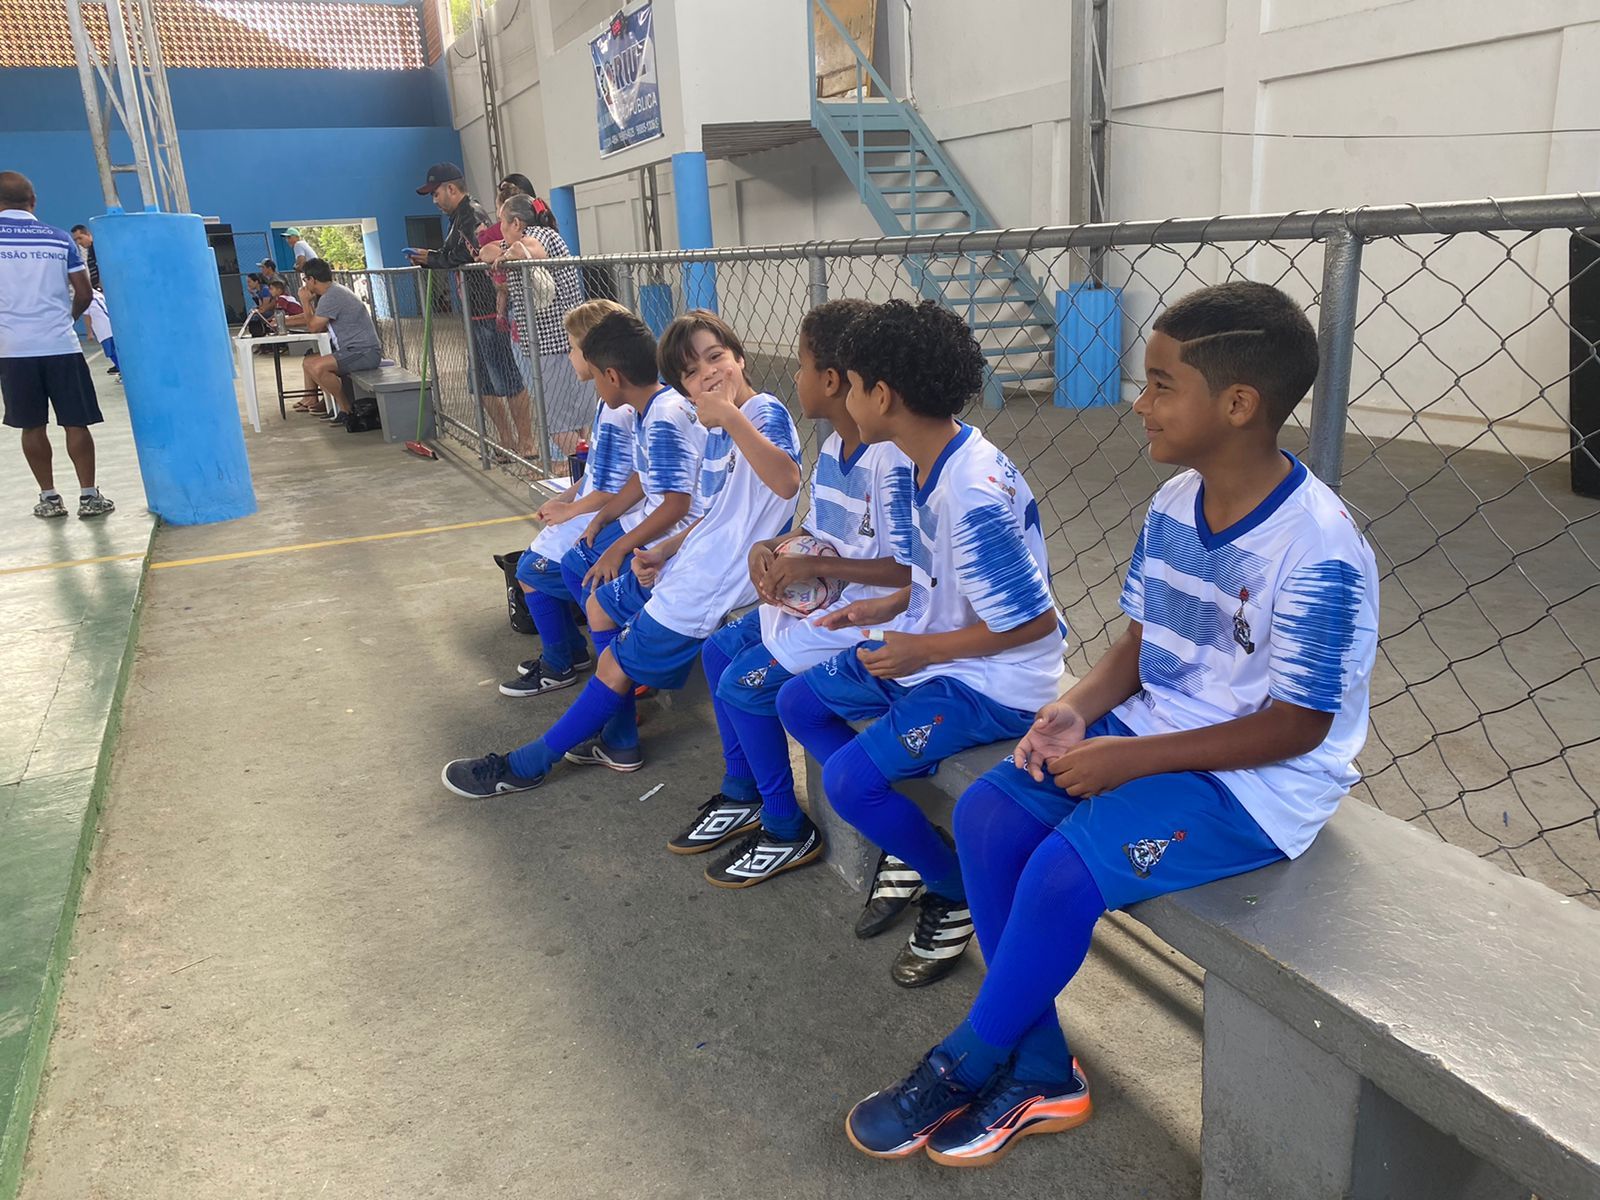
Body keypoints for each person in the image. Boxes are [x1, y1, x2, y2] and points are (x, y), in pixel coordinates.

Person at [842, 282, 1381, 1168]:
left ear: (1238, 404)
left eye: (1162, 384)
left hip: (1256, 782)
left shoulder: (1318, 546)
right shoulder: (1173, 503)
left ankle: (963, 1062)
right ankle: (1043, 1070)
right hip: (1148, 730)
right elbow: (1140, 644)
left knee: (1061, 874)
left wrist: (1127, 761)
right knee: (988, 816)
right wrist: (1076, 709)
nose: (1139, 402)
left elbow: (1297, 728)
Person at [774, 300, 1064, 989]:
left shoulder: (970, 493)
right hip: (935, 652)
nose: (846, 396)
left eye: (853, 383)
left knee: (849, 782)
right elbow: (935, 575)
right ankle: (910, 832)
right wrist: (884, 607)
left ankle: (950, 883)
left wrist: (921, 652)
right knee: (798, 703)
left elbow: (1035, 624)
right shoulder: (922, 460)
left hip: (991, 685)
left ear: (882, 395)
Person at [443, 309, 802, 797]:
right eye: (691, 372)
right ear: (684, 388)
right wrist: (666, 549)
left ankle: (528, 764)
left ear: (739, 357)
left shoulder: (762, 413)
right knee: (599, 604)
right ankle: (618, 737)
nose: (708, 374)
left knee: (612, 663)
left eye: (716, 357)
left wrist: (730, 417)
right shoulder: (719, 428)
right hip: (691, 563)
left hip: (713, 583)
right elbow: (717, 512)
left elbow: (786, 481)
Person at [683, 298, 917, 885]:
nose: (795, 376)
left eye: (803, 365)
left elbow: (908, 573)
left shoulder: (891, 461)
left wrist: (813, 564)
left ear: (832, 381)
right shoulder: (836, 447)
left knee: (744, 685)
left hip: (868, 616)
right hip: (826, 598)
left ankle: (786, 826)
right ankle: (743, 791)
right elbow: (819, 527)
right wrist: (773, 546)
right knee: (718, 652)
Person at [500, 310, 703, 705]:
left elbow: (676, 504)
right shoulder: (645, 408)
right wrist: (597, 516)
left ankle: (618, 669)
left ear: (611, 374)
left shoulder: (654, 413)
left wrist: (613, 540)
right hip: (644, 518)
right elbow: (639, 477)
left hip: (674, 533)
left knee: (557, 570)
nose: (573, 360)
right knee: (574, 566)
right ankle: (605, 661)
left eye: (582, 359)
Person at [504, 299, 638, 690]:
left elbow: (619, 487)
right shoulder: (606, 401)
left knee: (533, 569)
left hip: (612, 515)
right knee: (530, 565)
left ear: (595, 352)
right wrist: (566, 499)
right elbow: (597, 472)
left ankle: (567, 662)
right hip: (594, 507)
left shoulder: (620, 409)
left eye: (572, 347)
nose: (568, 355)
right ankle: (569, 653)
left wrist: (572, 510)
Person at [1, 174, 114, 518]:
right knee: (76, 422)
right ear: (33, 201)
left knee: (31, 425)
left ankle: (49, 498)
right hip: (61, 345)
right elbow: (84, 293)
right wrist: (67, 319)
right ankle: (89, 496)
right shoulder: (59, 238)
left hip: (13, 350)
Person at [408, 162, 529, 458]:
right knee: (481, 382)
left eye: (436, 193)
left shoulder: (472, 215)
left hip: (488, 309)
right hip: (473, 310)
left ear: (451, 188)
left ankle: (527, 442)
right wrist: (431, 257)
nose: (434, 200)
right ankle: (506, 440)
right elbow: (455, 253)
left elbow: (471, 254)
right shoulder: (456, 220)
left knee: (507, 378)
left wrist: (434, 259)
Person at [494, 192, 590, 457]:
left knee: (558, 425)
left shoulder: (539, 235)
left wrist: (509, 253)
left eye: (502, 223)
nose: (500, 230)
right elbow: (486, 251)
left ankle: (591, 469)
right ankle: (586, 470)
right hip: (560, 344)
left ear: (516, 223)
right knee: (575, 420)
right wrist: (504, 252)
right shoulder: (527, 237)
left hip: (555, 345)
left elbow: (531, 251)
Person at [295, 258, 382, 425]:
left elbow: (314, 327)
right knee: (309, 362)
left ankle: (345, 409)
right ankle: (333, 406)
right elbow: (316, 321)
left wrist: (305, 302)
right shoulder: (331, 292)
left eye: (305, 279)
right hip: (350, 350)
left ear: (312, 279)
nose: (305, 284)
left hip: (364, 352)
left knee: (318, 366)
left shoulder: (332, 296)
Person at [83, 288, 119, 377]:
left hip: (103, 329)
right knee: (116, 351)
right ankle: (120, 369)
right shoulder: (99, 295)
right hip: (111, 326)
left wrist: (89, 332)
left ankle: (122, 371)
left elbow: (87, 316)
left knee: (111, 352)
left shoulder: (86, 297)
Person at [70, 224, 99, 290]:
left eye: (80, 238)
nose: (78, 242)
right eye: (75, 240)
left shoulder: (99, 249)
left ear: (88, 235)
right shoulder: (88, 252)